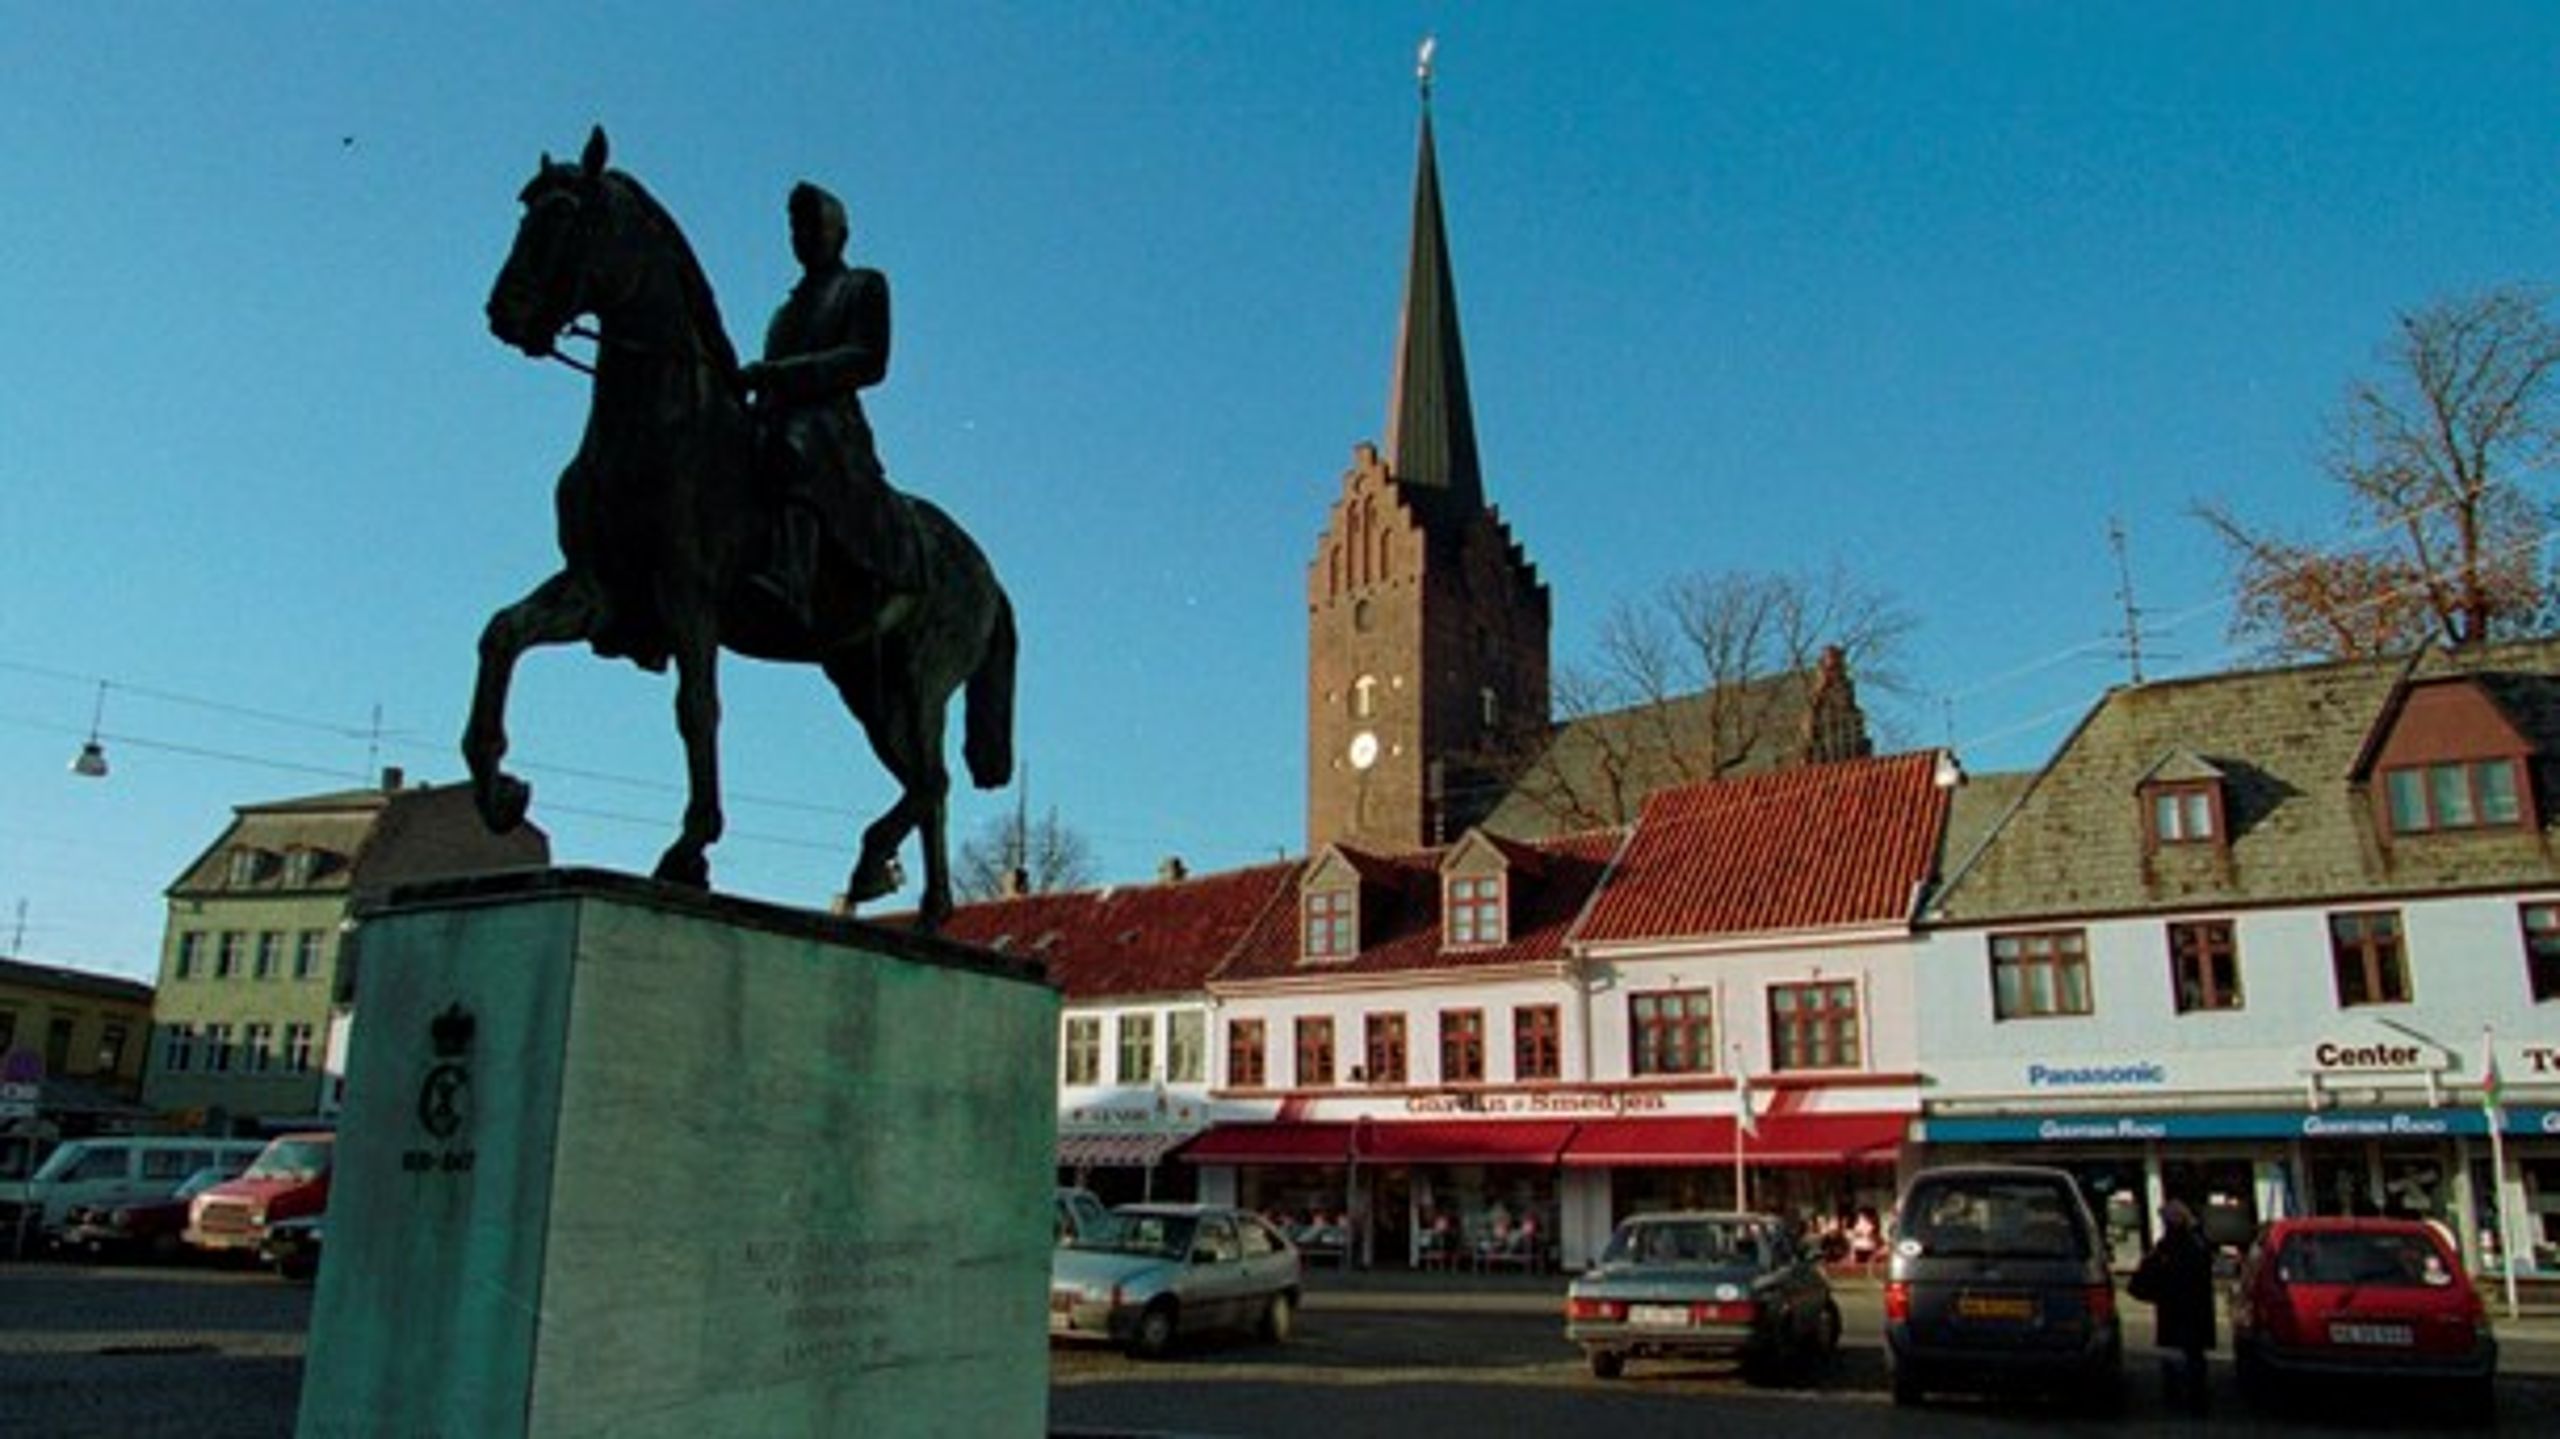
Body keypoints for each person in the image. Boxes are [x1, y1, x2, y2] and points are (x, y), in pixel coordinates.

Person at [739, 181, 917, 626]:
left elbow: (867, 359)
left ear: (839, 234)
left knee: (794, 443)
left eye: (814, 227)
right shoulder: (785, 312)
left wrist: (780, 374)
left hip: (828, 422)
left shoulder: (863, 285)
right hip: (773, 414)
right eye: (797, 229)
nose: (804, 238)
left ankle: (791, 576)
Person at [2129, 1199, 2216, 1414]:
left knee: (2181, 1353)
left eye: (2166, 1219)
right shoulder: (2194, 1242)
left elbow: (2158, 1271)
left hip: (2178, 1307)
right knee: (2189, 1354)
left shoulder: (2177, 1245)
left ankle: (2183, 1397)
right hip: (2189, 1308)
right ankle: (2191, 1397)